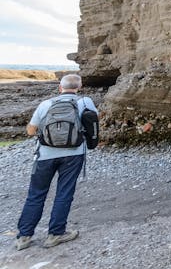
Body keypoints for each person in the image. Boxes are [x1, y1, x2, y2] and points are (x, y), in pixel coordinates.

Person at [15, 73, 98, 250]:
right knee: (64, 193)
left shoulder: (46, 104)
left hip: (45, 155)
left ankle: (24, 237)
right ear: (79, 87)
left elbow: (31, 130)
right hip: (74, 154)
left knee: (36, 194)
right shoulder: (85, 102)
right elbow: (93, 123)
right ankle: (55, 234)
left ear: (60, 88)